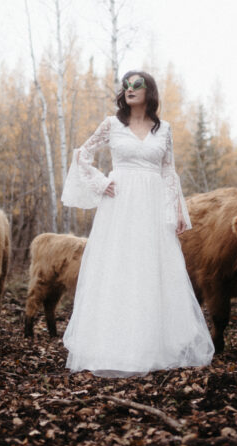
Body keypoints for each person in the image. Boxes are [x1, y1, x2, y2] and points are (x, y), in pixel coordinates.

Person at [60, 70, 215, 377]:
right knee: (120, 266)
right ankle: (113, 346)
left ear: (149, 91)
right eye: (126, 85)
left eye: (137, 85)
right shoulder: (112, 124)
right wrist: (100, 182)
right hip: (120, 205)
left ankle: (153, 345)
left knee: (152, 268)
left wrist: (178, 210)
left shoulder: (164, 129)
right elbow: (82, 155)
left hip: (153, 205)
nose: (129, 89)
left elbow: (169, 172)